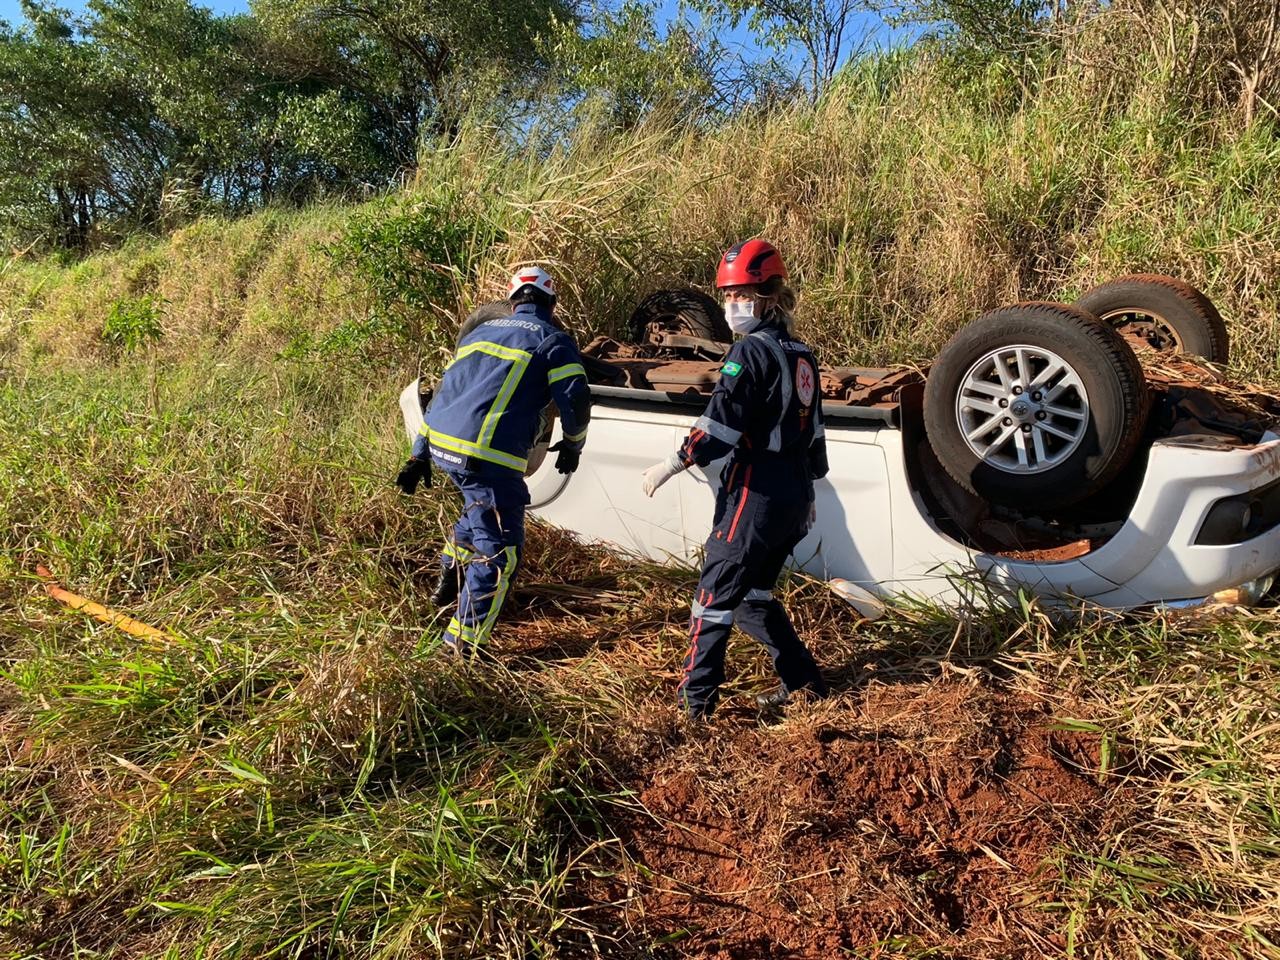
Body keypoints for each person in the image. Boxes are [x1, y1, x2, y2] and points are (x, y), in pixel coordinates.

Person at [640, 239, 829, 719]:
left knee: (712, 598)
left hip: (755, 490)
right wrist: (809, 490)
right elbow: (815, 432)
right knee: (752, 597)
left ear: (769, 295)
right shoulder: (802, 354)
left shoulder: (749, 352)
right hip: (793, 494)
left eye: (741, 293)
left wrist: (673, 463)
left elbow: (719, 427)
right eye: (726, 295)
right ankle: (805, 684)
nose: (731, 305)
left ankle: (695, 706)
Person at [394, 266, 590, 655]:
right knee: (500, 553)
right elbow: (576, 399)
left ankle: (448, 583)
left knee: (476, 513)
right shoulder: (552, 340)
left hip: (443, 448)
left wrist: (419, 453)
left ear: (512, 301)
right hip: (486, 457)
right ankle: (461, 647)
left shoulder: (478, 334)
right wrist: (572, 444)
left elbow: (448, 393)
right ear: (551, 304)